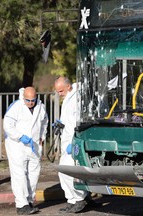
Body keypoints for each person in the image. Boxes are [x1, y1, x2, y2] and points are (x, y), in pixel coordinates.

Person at [3, 86, 48, 215]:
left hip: (33, 145)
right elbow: (7, 125)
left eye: (32, 100)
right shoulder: (16, 106)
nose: (30, 103)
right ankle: (21, 205)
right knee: (19, 174)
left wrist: (42, 136)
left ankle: (29, 201)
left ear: (36, 97)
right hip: (17, 146)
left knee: (33, 174)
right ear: (24, 98)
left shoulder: (41, 106)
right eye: (27, 100)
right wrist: (19, 136)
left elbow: (44, 122)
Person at [54, 76, 88, 213]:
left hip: (73, 141)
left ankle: (79, 199)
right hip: (66, 140)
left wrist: (73, 140)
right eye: (57, 91)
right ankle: (72, 200)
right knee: (64, 172)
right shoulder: (68, 97)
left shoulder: (76, 99)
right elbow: (68, 120)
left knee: (68, 171)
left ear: (68, 87)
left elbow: (77, 123)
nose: (59, 94)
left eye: (61, 91)